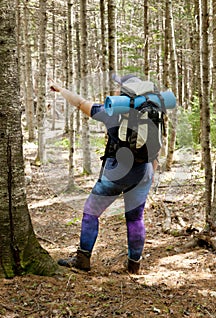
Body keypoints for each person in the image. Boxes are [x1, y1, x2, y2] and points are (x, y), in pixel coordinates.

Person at [50, 74, 158, 274]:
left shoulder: (110, 113)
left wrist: (61, 90)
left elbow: (81, 103)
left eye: (118, 88)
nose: (115, 90)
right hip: (143, 172)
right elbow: (154, 149)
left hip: (116, 173)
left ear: (123, 93)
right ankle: (134, 265)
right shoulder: (149, 112)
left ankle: (83, 259)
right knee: (135, 218)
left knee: (91, 212)